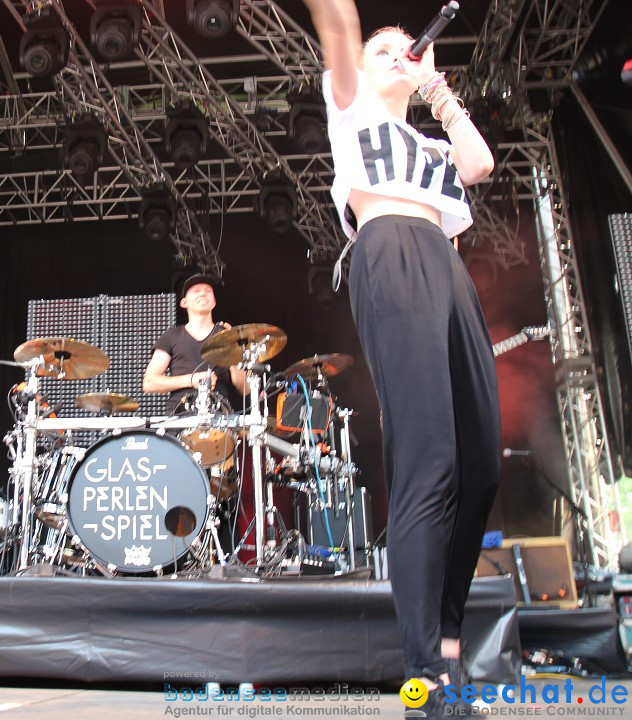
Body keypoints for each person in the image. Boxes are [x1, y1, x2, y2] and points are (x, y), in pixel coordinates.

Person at [301, 1, 500, 715]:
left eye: (404, 51)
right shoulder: (350, 108)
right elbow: (341, 30)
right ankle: (427, 676)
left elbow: (479, 162)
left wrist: (436, 91)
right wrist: (360, 33)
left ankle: (446, 648)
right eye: (386, 50)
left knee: (480, 466)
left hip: (447, 270)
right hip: (389, 249)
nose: (395, 54)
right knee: (430, 462)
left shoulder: (434, 144)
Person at [142, 273, 246, 413]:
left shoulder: (225, 335)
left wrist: (233, 347)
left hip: (219, 418)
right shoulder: (172, 335)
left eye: (208, 291)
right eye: (196, 291)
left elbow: (245, 389)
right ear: (184, 302)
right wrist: (191, 380)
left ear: (214, 302)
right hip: (179, 418)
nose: (203, 294)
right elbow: (149, 383)